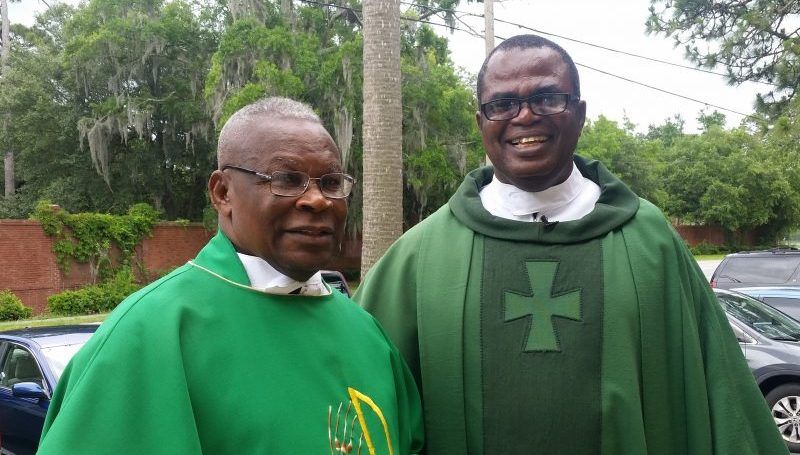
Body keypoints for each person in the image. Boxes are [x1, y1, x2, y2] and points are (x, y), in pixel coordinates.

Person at [354, 35, 788, 454]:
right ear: (481, 122)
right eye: (502, 104)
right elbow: (356, 399)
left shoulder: (649, 243)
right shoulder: (421, 256)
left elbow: (721, 396)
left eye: (548, 98)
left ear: (579, 113)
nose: (524, 117)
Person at [38, 97, 424, 454]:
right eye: (287, 179)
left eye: (331, 183)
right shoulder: (150, 334)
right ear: (222, 192)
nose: (317, 200)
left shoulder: (367, 334)